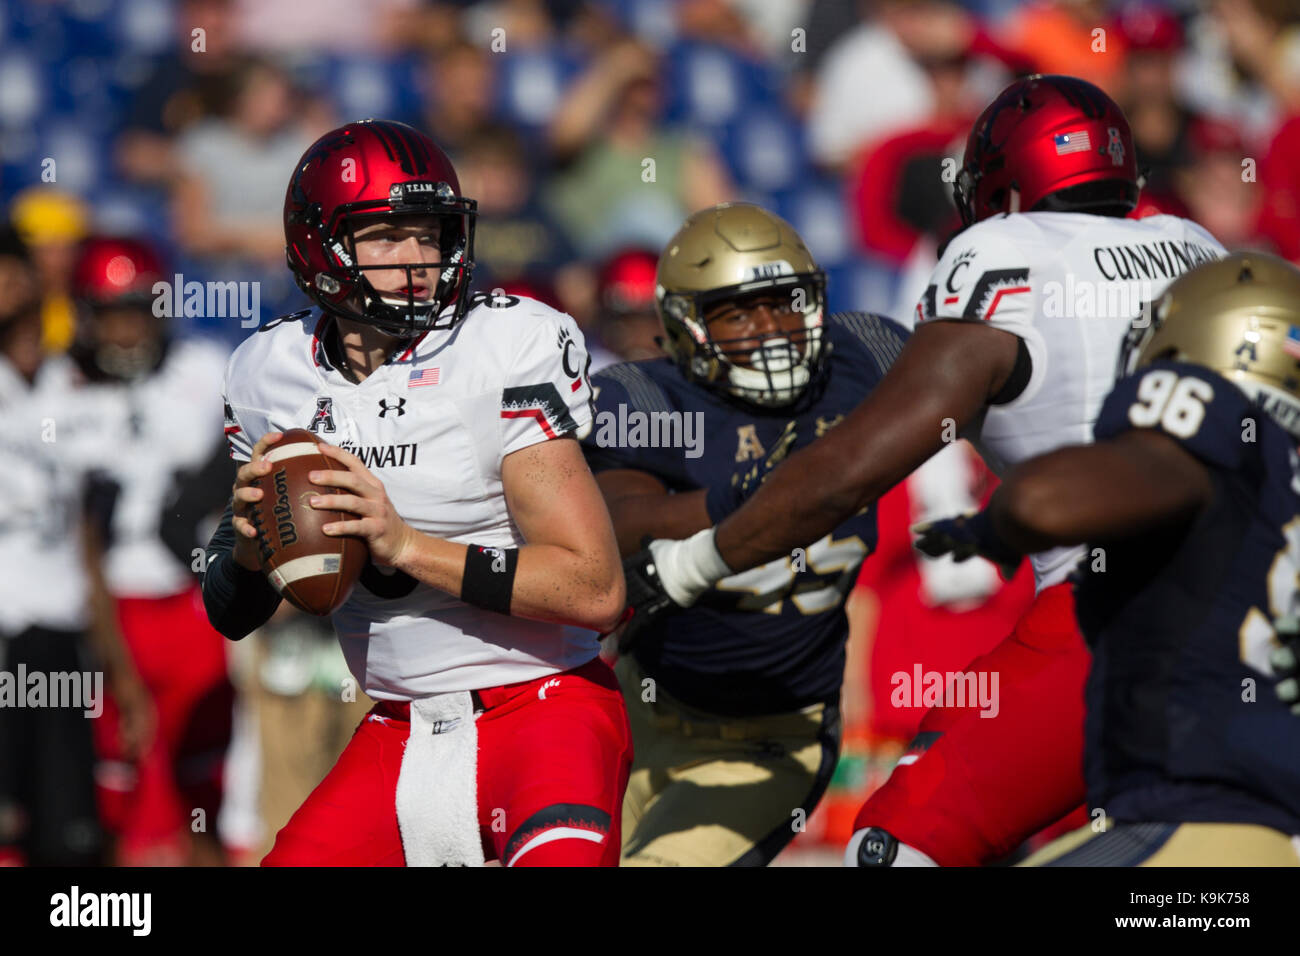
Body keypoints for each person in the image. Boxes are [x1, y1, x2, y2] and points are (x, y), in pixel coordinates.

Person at [626, 74, 1227, 866]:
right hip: (1260, 590)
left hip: (1120, 612)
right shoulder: (1196, 246)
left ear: (1006, 188)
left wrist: (693, 560)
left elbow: (850, 471)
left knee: (896, 844)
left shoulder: (1003, 257)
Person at [200, 119, 630, 867]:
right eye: (388, 236)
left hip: (544, 708)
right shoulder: (267, 372)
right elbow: (231, 617)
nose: (418, 261)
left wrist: (406, 546)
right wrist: (246, 550)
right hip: (396, 726)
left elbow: (594, 589)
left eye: (430, 235)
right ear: (319, 246)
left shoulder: (501, 347)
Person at [921, 253, 1300, 865]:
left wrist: (998, 521)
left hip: (1202, 836)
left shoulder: (1208, 421)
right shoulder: (1274, 485)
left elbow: (1047, 503)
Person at [581, 202, 907, 865]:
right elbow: (620, 522)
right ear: (683, 328)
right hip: (633, 713)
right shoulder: (647, 397)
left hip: (771, 737)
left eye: (784, 303)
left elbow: (987, 399)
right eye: (737, 313)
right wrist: (764, 494)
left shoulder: (868, 355)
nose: (770, 330)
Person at [69, 236, 236, 866]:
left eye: (137, 310)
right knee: (114, 791)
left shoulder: (205, 370)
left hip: (193, 606)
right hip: (108, 609)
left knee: (203, 787)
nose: (125, 329)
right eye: (110, 313)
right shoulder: (62, 388)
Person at [0, 228, 151, 866]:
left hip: (61, 636)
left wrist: (121, 671)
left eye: (9, 271)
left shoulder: (79, 388)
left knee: (72, 838)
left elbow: (89, 542)